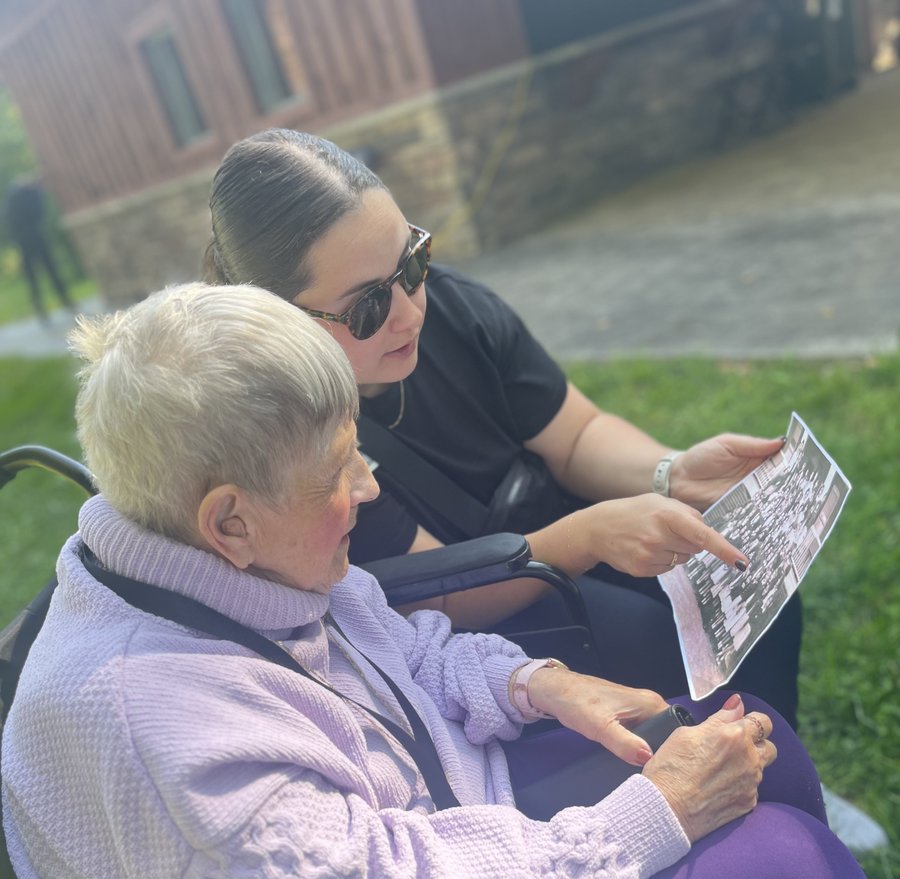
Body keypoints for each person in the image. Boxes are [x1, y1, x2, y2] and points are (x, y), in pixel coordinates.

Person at [2, 283, 898, 879]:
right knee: (789, 876)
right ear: (229, 520)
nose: (368, 483)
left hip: (428, 846)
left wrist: (538, 684)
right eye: (337, 472)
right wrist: (654, 816)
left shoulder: (207, 554)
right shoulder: (161, 735)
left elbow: (398, 647)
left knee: (755, 739)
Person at [203, 129, 802, 728]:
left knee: (749, 585)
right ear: (279, 318)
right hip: (459, 622)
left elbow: (574, 433)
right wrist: (589, 536)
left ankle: (777, 758)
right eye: (368, 307)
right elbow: (438, 592)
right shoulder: (288, 432)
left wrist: (670, 472)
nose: (410, 312)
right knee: (647, 637)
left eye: (413, 263)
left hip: (553, 527)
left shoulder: (452, 305)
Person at [4, 177, 73, 321]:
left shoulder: (24, 195)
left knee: (44, 274)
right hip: (31, 239)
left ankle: (60, 303)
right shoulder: (24, 195)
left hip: (30, 239)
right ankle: (47, 307)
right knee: (38, 276)